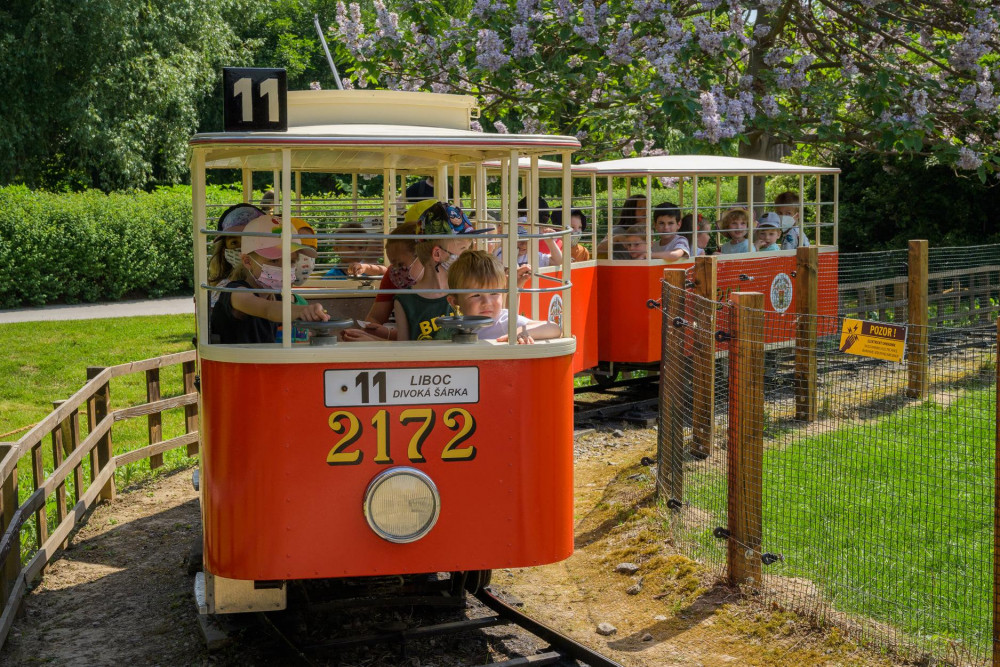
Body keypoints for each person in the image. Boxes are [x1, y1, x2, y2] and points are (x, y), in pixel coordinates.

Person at [210, 215, 328, 344]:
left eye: (291, 261)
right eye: (274, 260)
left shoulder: (276, 297)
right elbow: (268, 310)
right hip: (234, 363)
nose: (284, 268)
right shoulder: (236, 293)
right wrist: (303, 310)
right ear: (247, 261)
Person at [394, 200, 479, 341]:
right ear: (437, 254)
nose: (469, 255)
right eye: (464, 250)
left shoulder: (470, 291)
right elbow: (404, 348)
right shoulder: (405, 301)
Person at [439, 250, 561, 344]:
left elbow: (554, 328)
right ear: (454, 301)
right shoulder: (453, 327)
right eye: (476, 295)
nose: (487, 302)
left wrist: (519, 331)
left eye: (494, 293)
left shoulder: (503, 321)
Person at [343, 222, 424, 341]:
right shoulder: (393, 275)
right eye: (393, 264)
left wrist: (385, 335)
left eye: (400, 264)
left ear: (421, 256)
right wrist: (367, 333)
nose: (396, 270)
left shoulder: (445, 285)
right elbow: (375, 318)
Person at [208, 203, 268, 308]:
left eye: (249, 240)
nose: (242, 249)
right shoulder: (224, 289)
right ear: (223, 250)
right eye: (234, 243)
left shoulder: (274, 283)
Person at [494, 220, 564, 267]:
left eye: (528, 240)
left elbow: (558, 261)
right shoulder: (500, 254)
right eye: (519, 239)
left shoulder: (531, 255)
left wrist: (550, 242)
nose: (524, 244)